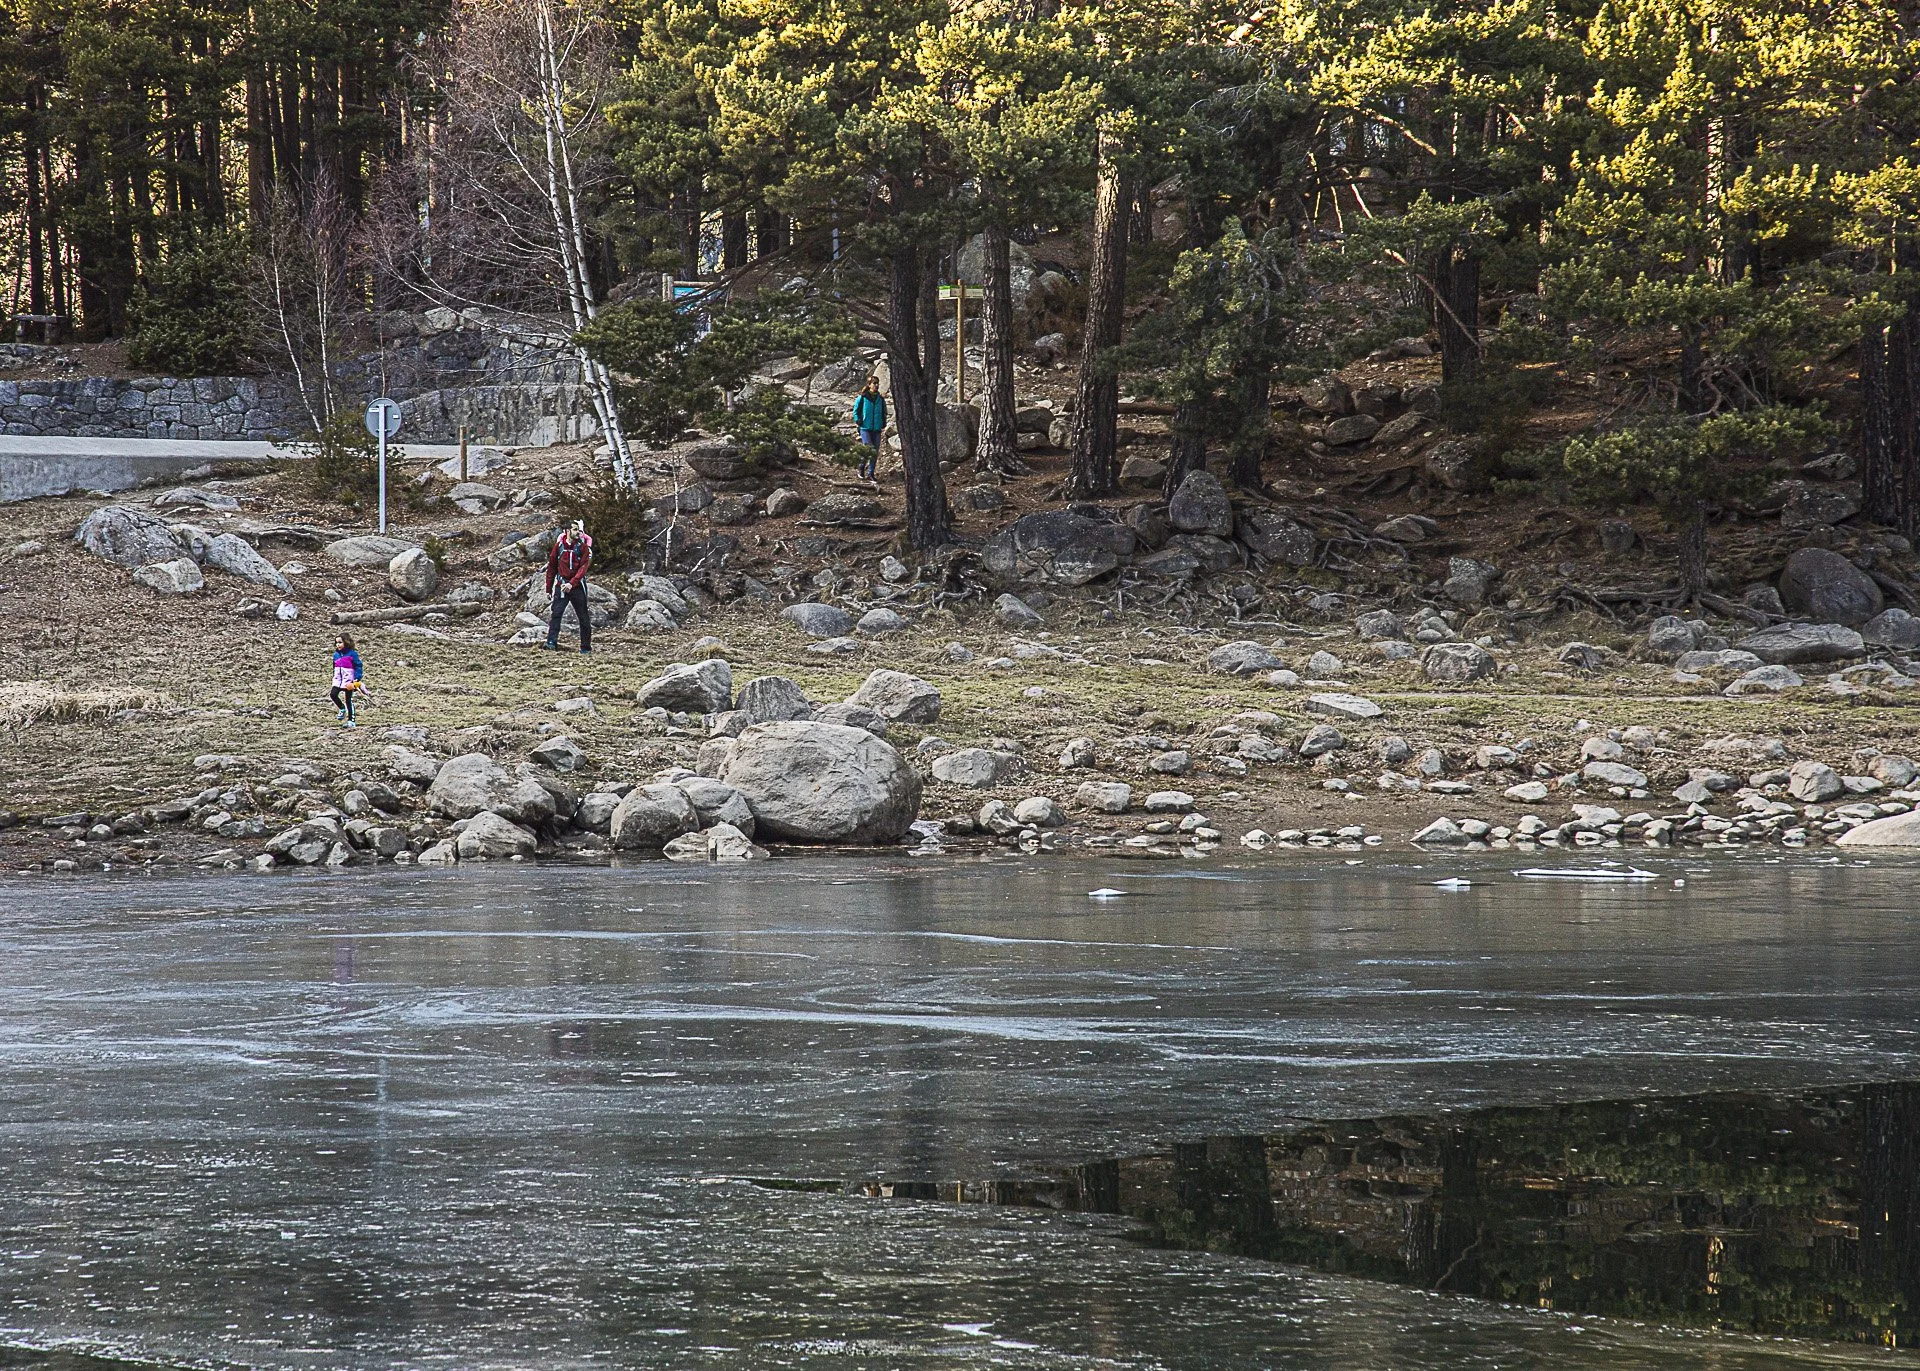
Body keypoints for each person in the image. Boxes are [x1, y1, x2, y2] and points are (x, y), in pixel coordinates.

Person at [544, 519, 594, 653]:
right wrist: (549, 588)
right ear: (567, 531)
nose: (578, 533)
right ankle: (551, 643)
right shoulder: (558, 546)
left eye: (578, 530)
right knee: (556, 614)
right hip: (561, 585)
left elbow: (583, 568)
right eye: (575, 530)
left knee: (583, 617)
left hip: (577, 587)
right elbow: (552, 567)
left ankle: (585, 648)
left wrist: (572, 583)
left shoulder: (582, 548)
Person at [853, 376, 887, 480]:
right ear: (869, 385)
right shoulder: (862, 398)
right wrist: (858, 420)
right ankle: (861, 467)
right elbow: (856, 411)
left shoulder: (880, 399)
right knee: (868, 449)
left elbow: (884, 412)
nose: (876, 385)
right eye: (874, 383)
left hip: (876, 428)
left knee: (875, 452)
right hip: (865, 428)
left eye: (877, 383)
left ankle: (871, 473)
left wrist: (883, 422)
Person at [330, 633, 364, 729]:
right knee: (333, 694)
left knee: (348, 699)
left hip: (349, 680)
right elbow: (334, 666)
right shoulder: (336, 654)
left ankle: (351, 720)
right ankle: (342, 708)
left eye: (340, 642)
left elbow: (358, 666)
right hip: (338, 679)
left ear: (346, 642)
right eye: (336, 643)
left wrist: (357, 678)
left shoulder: (352, 654)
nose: (338, 645)